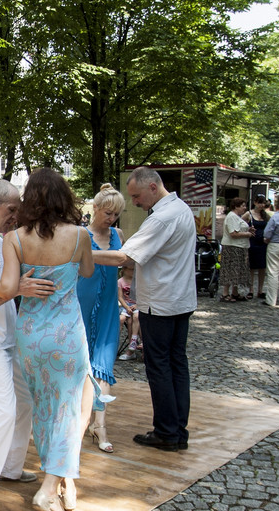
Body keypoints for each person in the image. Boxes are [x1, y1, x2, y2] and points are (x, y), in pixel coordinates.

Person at [0, 171, 91, 511]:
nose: (16, 215)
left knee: (26, 404)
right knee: (1, 415)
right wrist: (16, 289)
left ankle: (11, 467)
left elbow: (15, 280)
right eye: (12, 209)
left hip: (18, 337)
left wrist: (15, 287)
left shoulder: (10, 238)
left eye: (20, 208)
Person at [93, 166, 196, 453]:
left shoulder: (162, 219)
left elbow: (123, 257)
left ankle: (167, 431)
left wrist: (80, 253)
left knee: (160, 366)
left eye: (136, 196)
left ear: (153, 187)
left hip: (161, 303)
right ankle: (177, 429)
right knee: (177, 365)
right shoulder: (181, 208)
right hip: (179, 300)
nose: (135, 202)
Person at [77, 183, 126, 454]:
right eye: (107, 213)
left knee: (104, 363)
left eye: (115, 214)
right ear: (94, 208)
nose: (111, 219)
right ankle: (80, 419)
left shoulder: (118, 234)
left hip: (107, 304)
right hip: (82, 301)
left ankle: (100, 424)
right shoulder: (81, 234)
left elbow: (123, 262)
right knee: (82, 362)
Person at [220, 198, 253, 302]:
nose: (245, 208)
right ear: (236, 206)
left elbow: (239, 229)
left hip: (240, 247)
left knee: (237, 270)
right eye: (243, 206)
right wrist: (247, 234)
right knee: (230, 269)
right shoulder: (231, 217)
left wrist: (248, 230)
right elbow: (233, 233)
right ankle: (225, 293)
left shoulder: (237, 217)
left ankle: (235, 292)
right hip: (232, 247)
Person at [242, 195, 271, 299]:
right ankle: (251, 290)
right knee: (252, 267)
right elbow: (240, 224)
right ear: (255, 203)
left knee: (262, 267)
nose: (261, 205)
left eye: (263, 203)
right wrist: (248, 229)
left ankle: (260, 289)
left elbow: (271, 225)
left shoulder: (265, 215)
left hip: (263, 243)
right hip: (252, 242)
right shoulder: (248, 214)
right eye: (259, 202)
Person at [117, 266, 140, 360]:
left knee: (135, 317)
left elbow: (142, 295)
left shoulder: (138, 280)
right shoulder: (120, 281)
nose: (133, 272)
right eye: (131, 269)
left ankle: (133, 342)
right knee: (121, 319)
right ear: (124, 270)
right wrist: (126, 307)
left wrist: (137, 305)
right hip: (125, 306)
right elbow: (120, 297)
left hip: (137, 305)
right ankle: (115, 343)